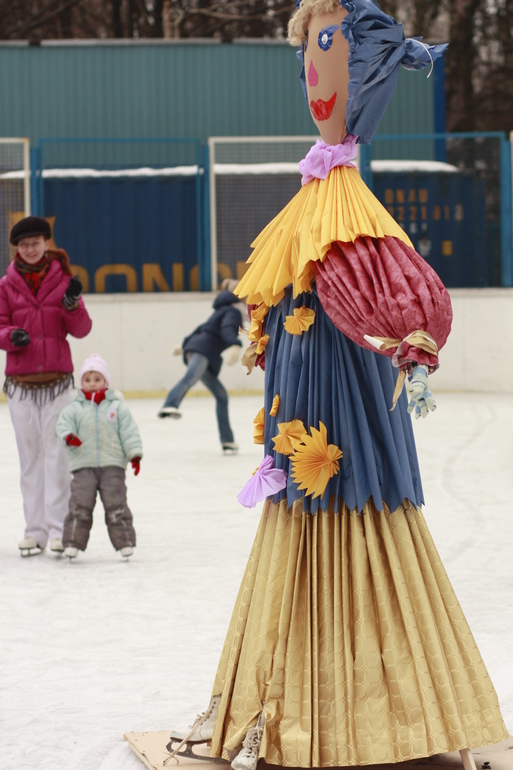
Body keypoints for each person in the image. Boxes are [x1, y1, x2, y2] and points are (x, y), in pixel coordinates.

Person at [159, 2, 508, 770]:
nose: (313, 75)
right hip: (304, 421)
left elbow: (398, 296)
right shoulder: (314, 206)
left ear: (363, 66)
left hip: (344, 420)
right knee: (309, 508)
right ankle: (315, 708)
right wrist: (270, 336)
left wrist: (407, 338)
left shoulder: (346, 213)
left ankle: (376, 719)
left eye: (327, 49)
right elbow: (279, 295)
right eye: (306, 56)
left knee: (351, 504)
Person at [0, 216, 92, 557]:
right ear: (16, 248)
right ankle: (34, 530)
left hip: (57, 384)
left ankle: (57, 529)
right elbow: (0, 325)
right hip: (21, 385)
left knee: (58, 457)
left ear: (46, 244)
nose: (30, 249)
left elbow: (81, 329)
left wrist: (71, 306)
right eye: (24, 245)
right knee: (30, 459)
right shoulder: (5, 285)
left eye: (35, 243)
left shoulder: (65, 281)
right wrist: (11, 336)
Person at [55, 354, 142, 560]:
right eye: (87, 380)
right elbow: (63, 426)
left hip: (113, 465)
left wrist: (134, 454)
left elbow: (129, 432)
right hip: (83, 465)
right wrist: (68, 437)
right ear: (81, 383)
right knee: (79, 506)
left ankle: (125, 543)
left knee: (116, 505)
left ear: (106, 382)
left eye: (97, 379)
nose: (92, 384)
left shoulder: (117, 408)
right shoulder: (74, 409)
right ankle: (72, 543)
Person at [158, 288, 243, 454]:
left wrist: (183, 346)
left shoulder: (217, 313)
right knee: (190, 377)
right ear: (235, 302)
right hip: (203, 351)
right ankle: (170, 404)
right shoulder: (232, 312)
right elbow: (227, 328)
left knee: (221, 396)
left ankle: (228, 441)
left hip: (197, 350)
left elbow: (200, 330)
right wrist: (234, 344)